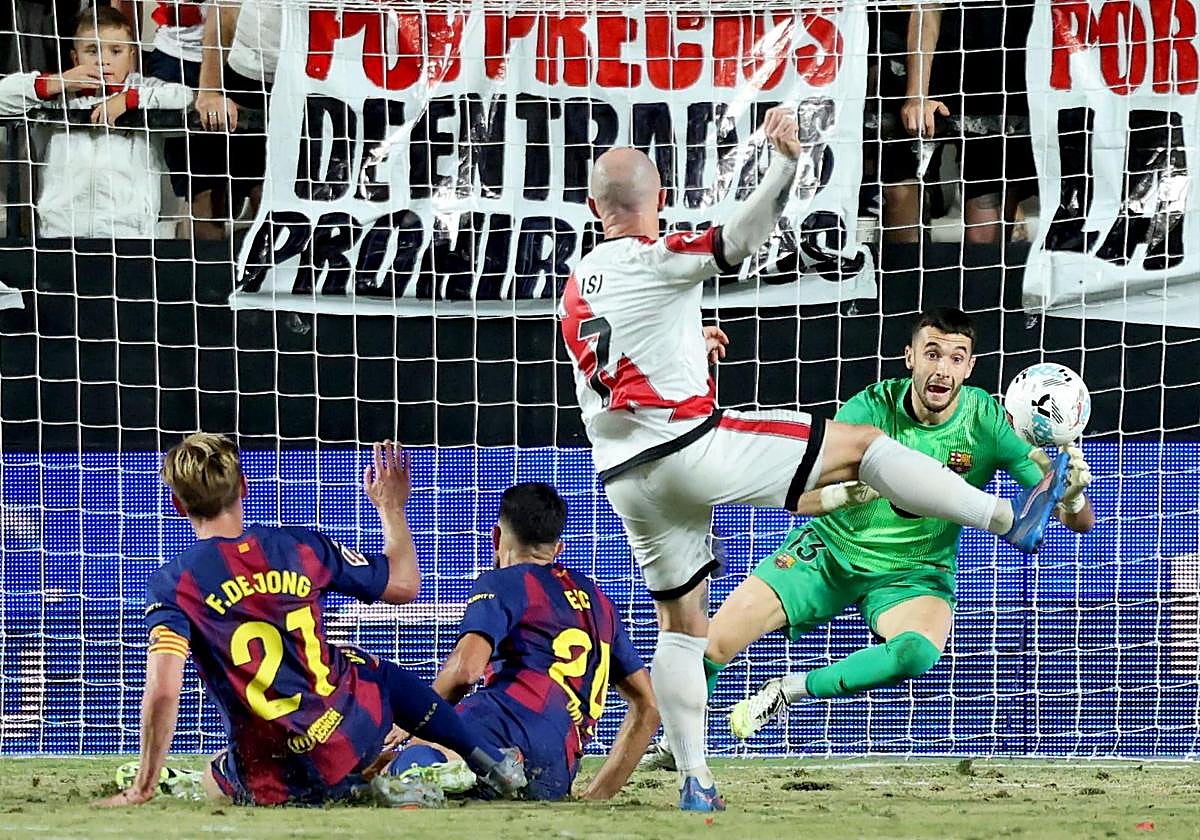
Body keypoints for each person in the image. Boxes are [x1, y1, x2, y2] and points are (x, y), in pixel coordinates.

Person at [558, 106, 1071, 811]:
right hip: (692, 446)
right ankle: (1006, 521)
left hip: (626, 480)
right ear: (663, 201)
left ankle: (695, 782)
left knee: (682, 630)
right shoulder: (658, 256)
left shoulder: (579, 283)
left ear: (591, 207)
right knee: (863, 448)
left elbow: (625, 365)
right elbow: (737, 240)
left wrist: (689, 347)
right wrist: (787, 165)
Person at [656, 308, 1093, 757]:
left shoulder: (988, 423)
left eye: (956, 358)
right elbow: (808, 490)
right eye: (932, 354)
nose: (942, 369)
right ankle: (676, 743)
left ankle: (790, 690)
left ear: (969, 367)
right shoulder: (869, 409)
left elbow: (1072, 520)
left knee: (917, 653)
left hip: (915, 571)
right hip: (829, 552)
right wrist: (844, 495)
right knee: (708, 646)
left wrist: (1072, 493)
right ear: (910, 358)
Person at [95, 434, 526, 808]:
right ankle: (487, 760)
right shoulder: (298, 547)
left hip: (271, 776)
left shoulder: (175, 584)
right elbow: (404, 585)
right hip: (347, 733)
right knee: (368, 669)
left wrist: (143, 785)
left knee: (225, 772)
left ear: (175, 503)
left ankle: (190, 780)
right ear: (243, 487)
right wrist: (391, 507)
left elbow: (163, 690)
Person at [384, 483, 658, 802]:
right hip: (557, 764)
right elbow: (649, 707)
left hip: (503, 722)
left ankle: (449, 771)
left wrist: (414, 721)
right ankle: (477, 773)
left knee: (409, 763)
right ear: (558, 549)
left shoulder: (505, 581)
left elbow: (465, 671)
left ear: (496, 538)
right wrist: (597, 797)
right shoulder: (600, 601)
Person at [0, 5, 194, 238]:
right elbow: (3, 97)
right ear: (75, 57)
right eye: (92, 51)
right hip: (61, 233)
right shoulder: (59, 97)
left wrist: (130, 99)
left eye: (116, 51)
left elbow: (185, 98)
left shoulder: (144, 89)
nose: (104, 60)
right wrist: (55, 82)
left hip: (130, 237)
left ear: (132, 55)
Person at [899, 1, 1037, 243]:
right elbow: (928, 7)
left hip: (1034, 73)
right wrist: (917, 93)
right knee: (984, 219)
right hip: (973, 74)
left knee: (990, 226)